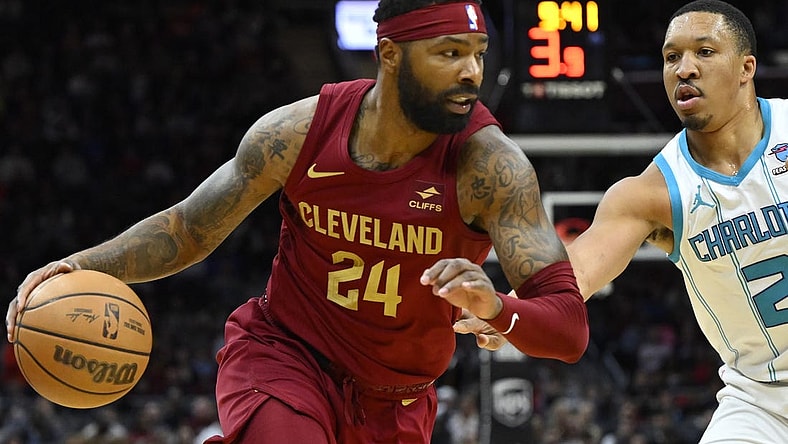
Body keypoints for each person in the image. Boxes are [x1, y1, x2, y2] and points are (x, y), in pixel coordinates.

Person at [6, 1, 589, 442]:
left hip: (399, 399)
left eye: (478, 52)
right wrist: (79, 265)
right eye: (449, 53)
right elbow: (188, 229)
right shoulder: (297, 133)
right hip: (285, 355)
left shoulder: (492, 166)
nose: (471, 72)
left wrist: (495, 308)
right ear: (390, 54)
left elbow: (568, 329)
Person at [454, 0, 788, 441]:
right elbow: (575, 275)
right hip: (761, 399)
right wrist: (506, 311)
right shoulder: (649, 194)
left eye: (704, 52)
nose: (684, 69)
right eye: (672, 57)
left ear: (746, 67)